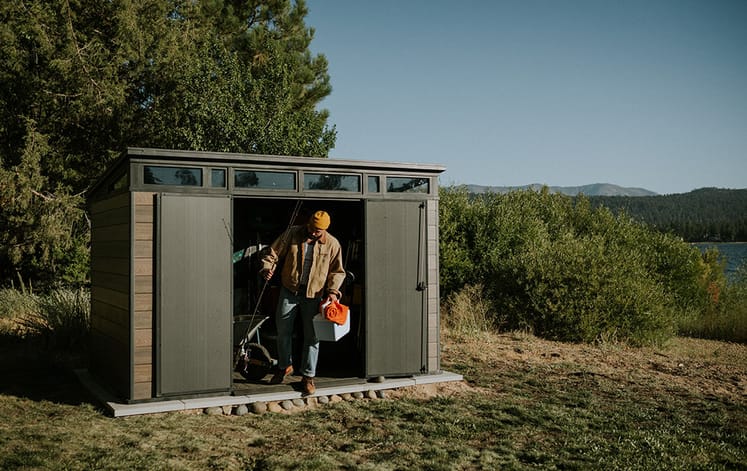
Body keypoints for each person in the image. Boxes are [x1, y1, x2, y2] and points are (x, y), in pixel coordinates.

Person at [260, 210, 345, 395]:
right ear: (308, 224)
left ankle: (308, 376)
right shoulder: (292, 233)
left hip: (314, 295)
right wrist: (267, 267)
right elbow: (273, 253)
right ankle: (284, 367)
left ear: (325, 229)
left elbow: (337, 272)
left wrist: (332, 291)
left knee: (312, 337)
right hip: (289, 290)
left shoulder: (333, 244)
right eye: (312, 228)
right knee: (283, 330)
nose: (314, 232)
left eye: (318, 231)